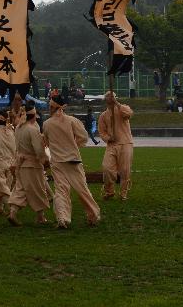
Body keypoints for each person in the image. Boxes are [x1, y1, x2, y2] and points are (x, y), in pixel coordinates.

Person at [43, 95, 100, 229]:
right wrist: (73, 144)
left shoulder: (47, 124)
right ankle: (93, 215)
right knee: (82, 190)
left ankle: (63, 218)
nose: (49, 108)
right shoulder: (72, 121)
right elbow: (83, 137)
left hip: (57, 161)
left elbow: (45, 142)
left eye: (51, 106)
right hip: (72, 159)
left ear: (56, 107)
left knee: (61, 190)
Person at [7, 106, 50, 225]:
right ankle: (40, 217)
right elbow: (38, 149)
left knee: (20, 189)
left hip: (20, 164)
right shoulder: (32, 129)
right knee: (38, 190)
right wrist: (45, 160)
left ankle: (13, 212)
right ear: (34, 117)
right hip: (32, 164)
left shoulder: (18, 129)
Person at [97, 92, 135, 201]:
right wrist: (109, 138)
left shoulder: (122, 108)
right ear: (106, 99)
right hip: (112, 145)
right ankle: (109, 191)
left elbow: (128, 114)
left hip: (126, 143)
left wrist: (117, 104)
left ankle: (123, 193)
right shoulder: (103, 115)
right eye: (108, 97)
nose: (110, 98)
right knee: (107, 168)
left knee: (125, 170)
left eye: (112, 96)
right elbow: (102, 131)